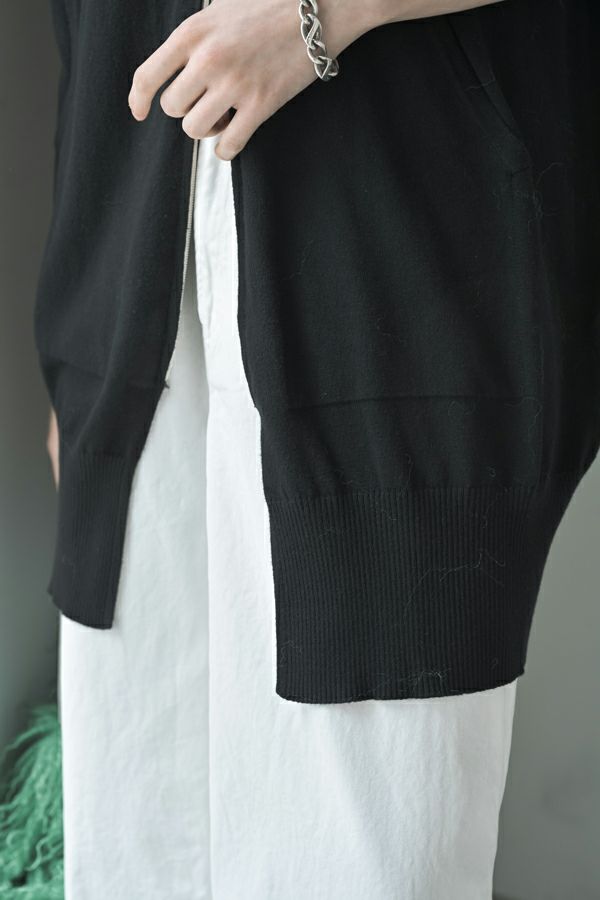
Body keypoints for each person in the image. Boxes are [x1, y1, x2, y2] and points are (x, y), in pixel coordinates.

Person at [38, 0, 599, 897]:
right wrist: (84, 334)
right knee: (138, 844)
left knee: (364, 855)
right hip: (132, 302)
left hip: (404, 289)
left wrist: (323, 13)